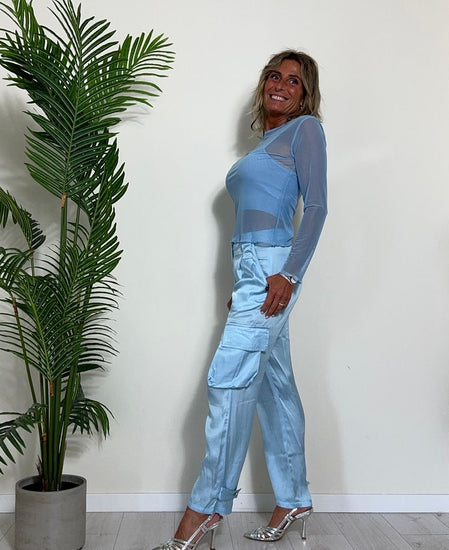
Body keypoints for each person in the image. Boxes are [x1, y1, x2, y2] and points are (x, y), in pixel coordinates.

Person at [152, 50, 327, 549]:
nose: (281, 85)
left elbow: (316, 207)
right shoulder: (268, 141)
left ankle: (205, 509)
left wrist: (287, 274)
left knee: (227, 382)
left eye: (293, 81)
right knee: (274, 387)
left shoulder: (306, 130)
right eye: (274, 76)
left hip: (274, 268)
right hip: (253, 272)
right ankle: (293, 497)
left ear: (305, 94)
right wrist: (244, 282)